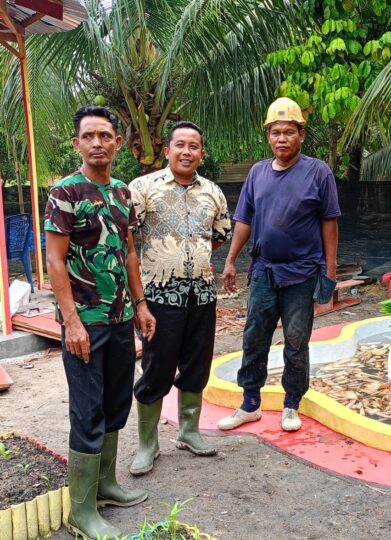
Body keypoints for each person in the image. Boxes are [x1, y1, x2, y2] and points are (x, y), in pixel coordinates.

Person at [45, 106, 155, 539]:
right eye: (88, 136)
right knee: (87, 411)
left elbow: (128, 252)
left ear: (116, 142)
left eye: (105, 135)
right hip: (85, 324)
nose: (97, 143)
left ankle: (106, 485)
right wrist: (71, 321)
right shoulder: (65, 193)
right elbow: (54, 260)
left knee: (114, 404)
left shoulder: (123, 193)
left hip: (121, 317)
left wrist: (141, 306)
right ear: (77, 144)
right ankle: (82, 511)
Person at [217, 97, 340, 433]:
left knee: (297, 340)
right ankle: (250, 404)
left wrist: (329, 274)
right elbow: (243, 219)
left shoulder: (318, 172)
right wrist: (230, 260)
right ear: (268, 136)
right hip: (263, 272)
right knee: (254, 335)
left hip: (302, 273)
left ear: (301, 134)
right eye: (275, 132)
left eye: (289, 131)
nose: (282, 138)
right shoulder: (257, 173)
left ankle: (291, 404)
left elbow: (330, 223)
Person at [127, 122, 231, 476]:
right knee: (156, 368)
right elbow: (128, 239)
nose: (187, 152)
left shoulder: (213, 192)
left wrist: (192, 255)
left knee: (197, 365)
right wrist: (140, 299)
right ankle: (147, 444)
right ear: (168, 149)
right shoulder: (142, 189)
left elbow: (219, 235)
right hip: (158, 297)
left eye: (195, 146)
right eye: (180, 145)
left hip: (202, 294)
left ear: (202, 152)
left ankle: (188, 432)